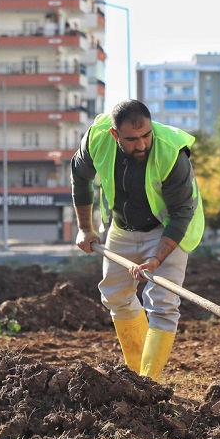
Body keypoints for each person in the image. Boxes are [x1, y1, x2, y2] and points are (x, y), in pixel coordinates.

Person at [71, 100, 204, 381]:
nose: (142, 145)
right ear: (115, 135)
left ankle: (149, 381)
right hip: (122, 225)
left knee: (162, 303)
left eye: (146, 135)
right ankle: (136, 376)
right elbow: (80, 180)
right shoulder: (96, 138)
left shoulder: (171, 151)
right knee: (116, 295)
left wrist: (155, 259)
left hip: (166, 227)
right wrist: (85, 228)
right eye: (132, 139)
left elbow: (182, 213)